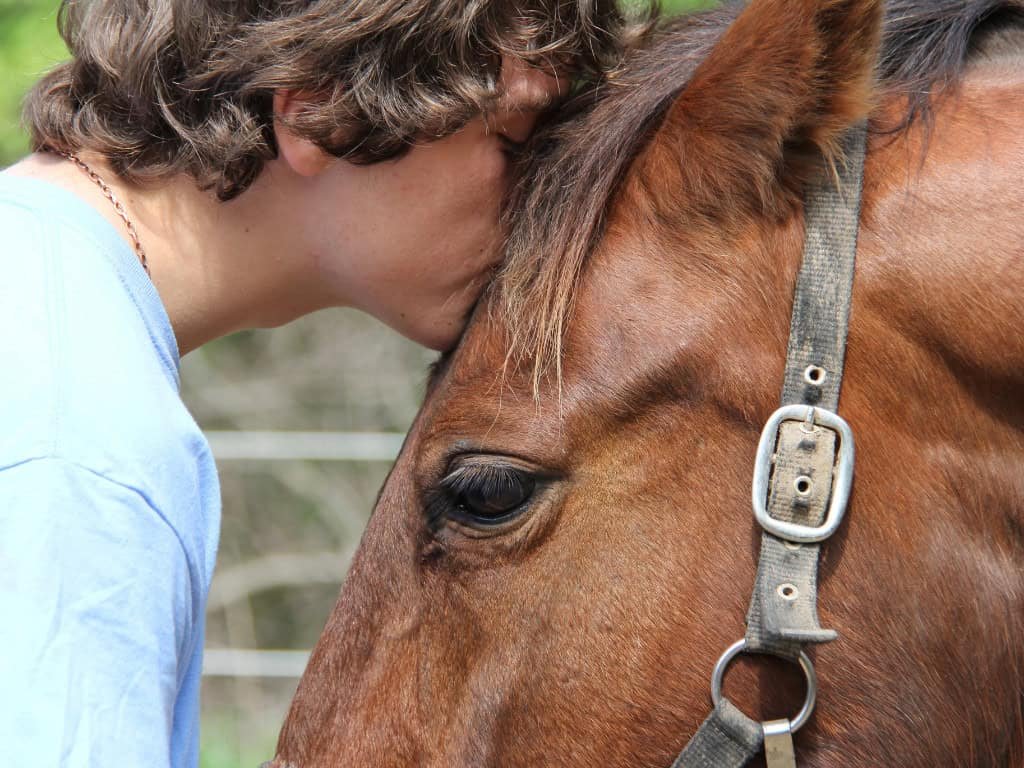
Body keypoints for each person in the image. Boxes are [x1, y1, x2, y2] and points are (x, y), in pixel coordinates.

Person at [0, 0, 642, 765]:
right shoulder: (81, 443)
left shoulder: (43, 308)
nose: (539, 209)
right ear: (315, 111)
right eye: (514, 142)